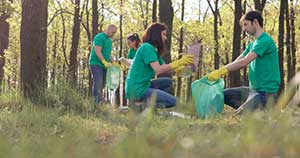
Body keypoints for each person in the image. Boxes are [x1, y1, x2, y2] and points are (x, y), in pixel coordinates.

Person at [207, 10, 280, 113]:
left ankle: (260, 108)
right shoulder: (252, 44)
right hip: (252, 91)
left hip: (266, 94)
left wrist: (222, 70)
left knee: (241, 114)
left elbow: (244, 62)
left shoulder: (265, 41)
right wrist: (218, 72)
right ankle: (250, 107)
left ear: (255, 22)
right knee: (221, 94)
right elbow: (238, 61)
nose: (244, 29)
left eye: (246, 25)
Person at [125, 23, 194, 111]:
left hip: (144, 85)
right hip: (137, 89)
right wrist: (179, 62)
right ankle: (140, 106)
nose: (165, 38)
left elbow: (164, 67)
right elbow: (158, 70)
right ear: (156, 34)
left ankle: (143, 103)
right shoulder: (147, 48)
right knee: (174, 102)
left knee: (167, 82)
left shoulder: (153, 50)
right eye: (164, 34)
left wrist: (178, 68)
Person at [89, 24, 118, 103]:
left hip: (104, 65)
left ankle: (99, 102)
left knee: (103, 84)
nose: (113, 34)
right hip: (95, 63)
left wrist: (114, 63)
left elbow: (108, 54)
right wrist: (104, 62)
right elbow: (98, 51)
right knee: (98, 82)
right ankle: (96, 103)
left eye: (114, 33)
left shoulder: (109, 41)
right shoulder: (99, 37)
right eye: (112, 32)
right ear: (108, 29)